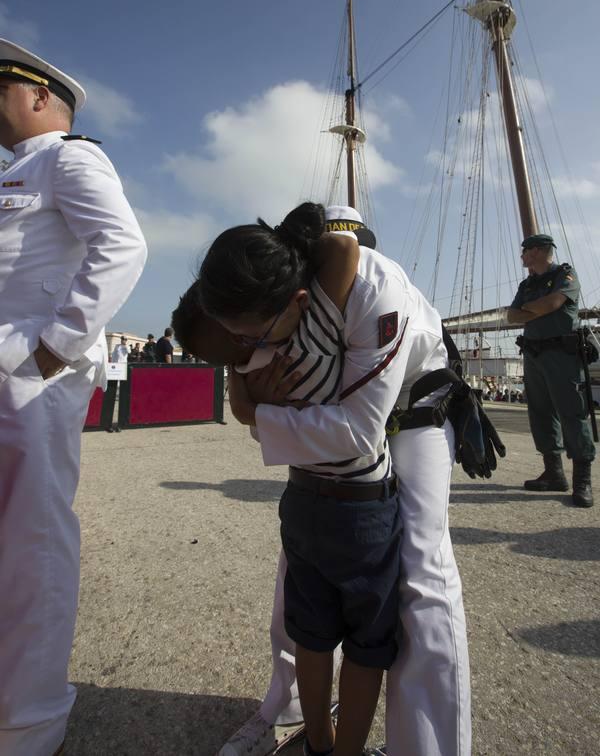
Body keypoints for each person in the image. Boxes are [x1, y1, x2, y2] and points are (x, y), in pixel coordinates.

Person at [194, 203, 471, 756]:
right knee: (298, 569)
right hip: (338, 423)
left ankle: (426, 748)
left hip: (413, 404)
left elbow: (360, 430)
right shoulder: (278, 296)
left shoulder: (374, 287)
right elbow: (245, 358)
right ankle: (292, 706)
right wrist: (246, 385)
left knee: (422, 569)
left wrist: (257, 414)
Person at [0, 37, 147, 756]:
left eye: (0, 87)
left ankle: (29, 724)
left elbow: (122, 245)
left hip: (27, 376)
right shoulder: (18, 169)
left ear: (38, 96)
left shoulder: (69, 156)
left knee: (30, 544)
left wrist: (56, 346)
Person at [507, 233, 595, 507]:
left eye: (525, 252)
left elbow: (555, 302)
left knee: (572, 411)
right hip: (534, 354)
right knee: (540, 412)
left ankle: (582, 480)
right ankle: (554, 473)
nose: (522, 257)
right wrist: (538, 309)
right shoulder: (528, 283)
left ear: (538, 251)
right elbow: (512, 315)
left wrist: (531, 310)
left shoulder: (564, 275)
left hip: (562, 354)